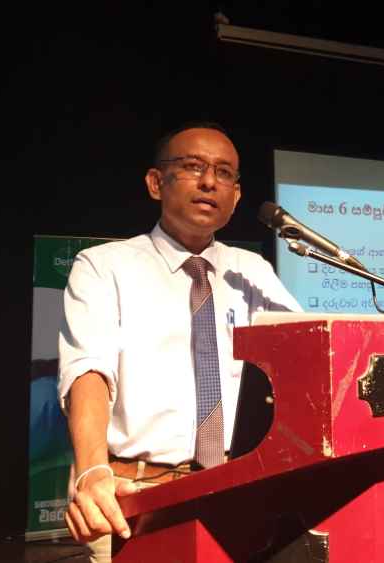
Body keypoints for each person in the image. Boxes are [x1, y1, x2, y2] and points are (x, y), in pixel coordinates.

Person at [57, 122, 301, 562]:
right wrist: (91, 471)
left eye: (224, 173)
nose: (210, 181)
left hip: (239, 491)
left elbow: (306, 356)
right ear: (156, 183)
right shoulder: (103, 267)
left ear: (237, 196)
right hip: (140, 497)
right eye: (193, 167)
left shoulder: (254, 272)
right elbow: (88, 371)